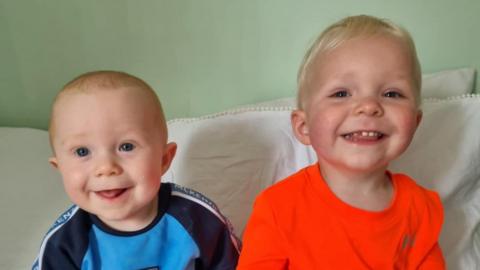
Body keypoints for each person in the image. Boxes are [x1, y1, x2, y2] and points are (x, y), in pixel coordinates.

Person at [237, 15, 445, 269]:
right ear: (304, 127)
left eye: (392, 93)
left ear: (415, 121)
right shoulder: (278, 209)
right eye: (341, 93)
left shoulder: (419, 207)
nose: (368, 107)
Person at [32, 71, 240, 270]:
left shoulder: (198, 217)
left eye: (127, 146)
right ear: (60, 168)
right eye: (82, 151)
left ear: (164, 159)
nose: (106, 168)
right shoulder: (63, 244)